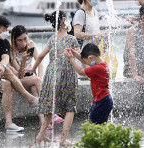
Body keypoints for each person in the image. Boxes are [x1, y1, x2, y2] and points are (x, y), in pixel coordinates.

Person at [28, 10, 79, 146]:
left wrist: (33, 69)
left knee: (51, 105)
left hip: (51, 74)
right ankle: (63, 140)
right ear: (63, 21)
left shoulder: (52, 38)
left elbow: (40, 56)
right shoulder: (71, 39)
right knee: (70, 107)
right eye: (67, 18)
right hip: (66, 74)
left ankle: (41, 134)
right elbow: (80, 56)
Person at [10, 25, 64, 129]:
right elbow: (19, 75)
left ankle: (44, 123)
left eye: (25, 39)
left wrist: (39, 78)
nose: (23, 43)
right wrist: (24, 61)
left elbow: (40, 64)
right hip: (18, 80)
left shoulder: (31, 45)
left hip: (31, 78)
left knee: (35, 88)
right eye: (19, 40)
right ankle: (51, 113)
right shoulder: (11, 50)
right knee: (35, 80)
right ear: (14, 40)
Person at [64, 43, 113, 124]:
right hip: (106, 99)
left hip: (101, 100)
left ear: (91, 58)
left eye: (86, 61)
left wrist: (71, 59)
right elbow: (86, 60)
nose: (85, 63)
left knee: (91, 124)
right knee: (100, 126)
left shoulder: (97, 68)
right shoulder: (102, 64)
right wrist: (74, 53)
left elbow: (80, 71)